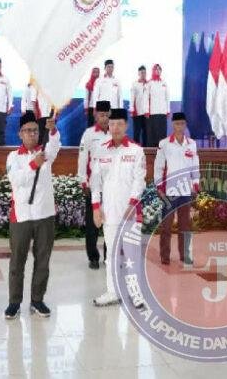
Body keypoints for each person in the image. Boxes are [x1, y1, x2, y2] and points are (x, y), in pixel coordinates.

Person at [4, 112, 61, 319]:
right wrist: (33, 164)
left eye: (35, 131)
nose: (32, 134)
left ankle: (37, 299)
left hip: (44, 213)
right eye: (27, 131)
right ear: (20, 133)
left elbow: (55, 145)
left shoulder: (46, 153)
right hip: (21, 215)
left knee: (42, 260)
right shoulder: (13, 156)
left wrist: (52, 130)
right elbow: (16, 180)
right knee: (17, 261)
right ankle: (14, 302)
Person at [90, 108, 146, 306]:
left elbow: (139, 181)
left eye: (119, 124)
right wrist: (96, 207)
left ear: (126, 126)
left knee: (132, 256)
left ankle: (136, 294)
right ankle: (112, 292)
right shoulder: (100, 150)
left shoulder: (136, 150)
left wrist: (132, 204)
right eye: (112, 124)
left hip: (131, 212)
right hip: (109, 213)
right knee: (111, 255)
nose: (115, 128)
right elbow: (95, 182)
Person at [154, 112, 200, 265]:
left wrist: (196, 183)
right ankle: (164, 255)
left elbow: (195, 166)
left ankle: (185, 255)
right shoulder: (164, 144)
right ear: (172, 125)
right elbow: (158, 167)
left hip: (185, 191)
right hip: (169, 191)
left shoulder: (192, 144)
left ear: (185, 125)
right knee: (166, 226)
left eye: (182, 123)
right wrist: (159, 186)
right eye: (177, 123)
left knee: (185, 226)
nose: (180, 126)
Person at [77, 100, 112, 269]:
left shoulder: (115, 133)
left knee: (110, 223)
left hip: (112, 186)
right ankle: (93, 257)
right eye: (101, 115)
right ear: (96, 115)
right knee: (92, 224)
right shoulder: (89, 134)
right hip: (94, 185)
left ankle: (109, 256)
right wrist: (83, 181)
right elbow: (82, 158)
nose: (104, 118)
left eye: (106, 115)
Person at [146, 64, 170, 147]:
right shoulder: (149, 83)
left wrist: (168, 110)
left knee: (162, 133)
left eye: (160, 69)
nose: (158, 71)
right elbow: (146, 98)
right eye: (156, 69)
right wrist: (146, 111)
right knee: (153, 134)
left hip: (162, 112)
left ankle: (162, 151)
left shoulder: (164, 83)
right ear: (153, 70)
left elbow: (167, 97)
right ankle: (152, 152)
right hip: (153, 112)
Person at [130, 65, 150, 145]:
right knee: (137, 132)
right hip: (137, 112)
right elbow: (132, 97)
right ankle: (136, 149)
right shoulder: (135, 84)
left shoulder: (149, 84)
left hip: (146, 113)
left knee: (146, 132)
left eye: (144, 73)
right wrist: (132, 109)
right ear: (138, 73)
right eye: (141, 73)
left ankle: (146, 149)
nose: (143, 74)